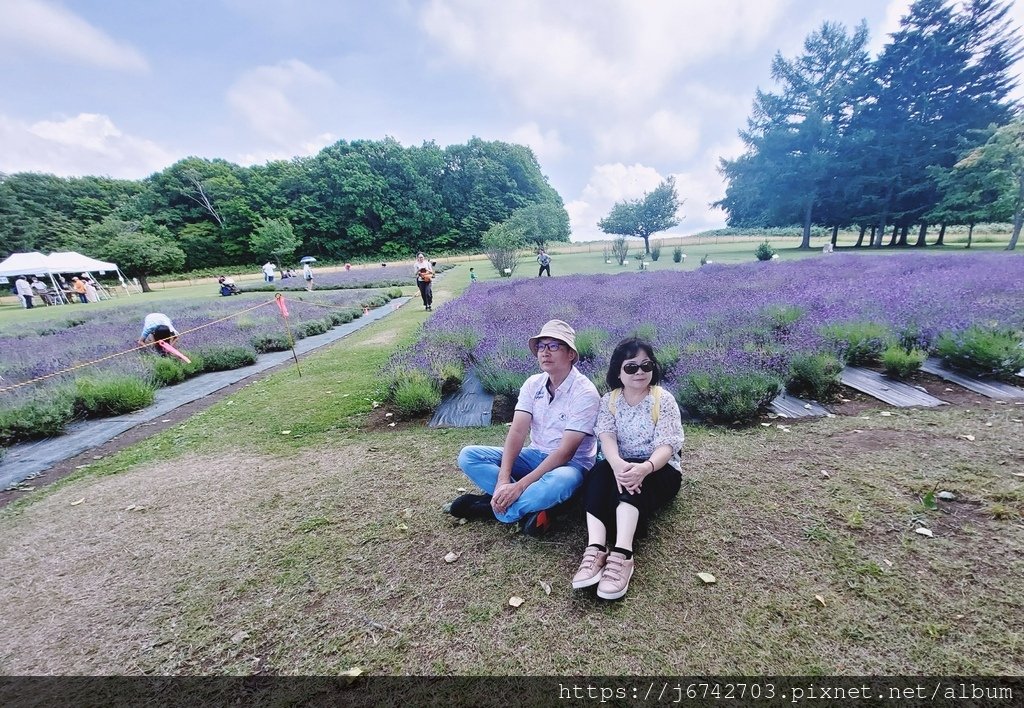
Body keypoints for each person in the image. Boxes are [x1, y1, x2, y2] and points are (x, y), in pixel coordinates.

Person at [451, 320, 601, 535]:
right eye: (541, 346)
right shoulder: (533, 384)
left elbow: (565, 452)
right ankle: (521, 502)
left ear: (570, 355)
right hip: (534, 455)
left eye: (554, 346)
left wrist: (520, 485)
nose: (545, 352)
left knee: (560, 482)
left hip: (570, 466)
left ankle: (495, 509)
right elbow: (518, 431)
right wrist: (504, 481)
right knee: (469, 455)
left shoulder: (584, 392)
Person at [571, 338, 684, 601]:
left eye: (646, 365)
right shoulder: (609, 401)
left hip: (659, 467)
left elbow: (667, 445)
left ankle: (623, 554)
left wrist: (644, 468)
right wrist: (620, 466)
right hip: (620, 463)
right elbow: (607, 437)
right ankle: (596, 548)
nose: (640, 372)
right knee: (597, 476)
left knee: (635, 483)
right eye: (631, 367)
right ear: (618, 371)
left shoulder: (663, 399)